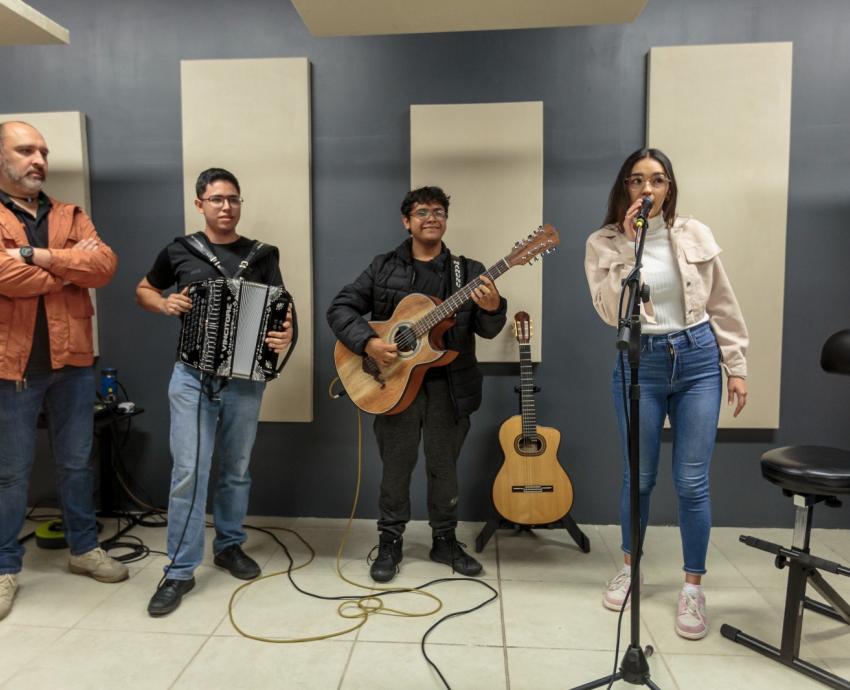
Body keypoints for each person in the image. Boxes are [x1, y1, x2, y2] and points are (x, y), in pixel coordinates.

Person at [585, 148, 749, 639]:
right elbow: (609, 309)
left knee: (692, 483)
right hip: (641, 362)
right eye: (637, 180)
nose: (647, 188)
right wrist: (630, 244)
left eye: (657, 179)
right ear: (625, 188)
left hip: (698, 359)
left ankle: (692, 588)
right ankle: (631, 568)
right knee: (638, 476)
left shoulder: (694, 233)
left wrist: (735, 366)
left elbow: (722, 302)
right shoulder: (603, 243)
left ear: (669, 187)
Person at [327, 185, 507, 583]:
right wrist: (369, 343)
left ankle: (444, 540)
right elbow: (340, 308)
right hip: (392, 386)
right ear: (406, 221)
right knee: (396, 469)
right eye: (422, 211)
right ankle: (389, 542)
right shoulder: (383, 266)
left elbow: (489, 330)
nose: (432, 217)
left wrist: (494, 309)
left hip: (450, 387)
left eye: (439, 211)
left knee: (445, 471)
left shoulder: (469, 271)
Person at [135, 167, 293, 616]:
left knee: (237, 469)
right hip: (191, 376)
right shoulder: (180, 250)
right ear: (199, 203)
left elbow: (280, 309)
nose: (227, 207)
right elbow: (143, 290)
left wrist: (283, 337)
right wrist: (164, 302)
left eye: (234, 199)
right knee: (190, 470)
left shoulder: (262, 254)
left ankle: (229, 545)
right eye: (218, 199)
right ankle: (180, 570)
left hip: (245, 378)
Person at [0, 121, 126, 622]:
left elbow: (106, 267)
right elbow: (2, 275)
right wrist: (69, 269)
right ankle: (5, 567)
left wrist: (39, 255)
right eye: (25, 150)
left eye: (44, 152)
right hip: (13, 368)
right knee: (11, 474)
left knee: (77, 463)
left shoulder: (70, 213)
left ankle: (83, 549)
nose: (38, 160)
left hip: (73, 362)